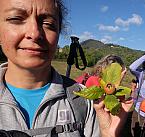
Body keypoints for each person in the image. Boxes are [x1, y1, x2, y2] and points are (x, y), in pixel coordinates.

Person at [0, 0, 133, 137]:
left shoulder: (82, 100)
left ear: (58, 33)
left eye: (48, 24)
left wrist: (108, 134)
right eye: (16, 19)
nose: (34, 33)